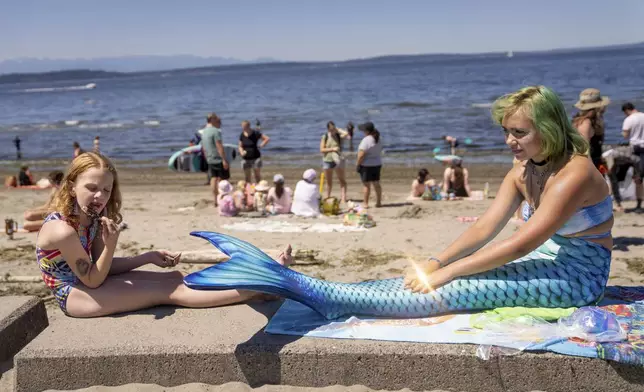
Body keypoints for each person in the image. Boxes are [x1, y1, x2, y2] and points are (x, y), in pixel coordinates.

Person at [404, 85, 613, 315]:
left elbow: (521, 244)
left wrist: (451, 271)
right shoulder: (522, 171)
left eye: (519, 133)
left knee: (452, 287)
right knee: (448, 281)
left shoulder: (574, 173)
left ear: (548, 129)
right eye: (506, 131)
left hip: (579, 277)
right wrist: (437, 262)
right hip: (542, 261)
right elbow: (484, 227)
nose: (509, 141)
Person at [35, 152, 292, 318]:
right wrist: (111, 244)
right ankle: (257, 287)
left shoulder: (89, 219)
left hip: (89, 283)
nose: (100, 196)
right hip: (74, 295)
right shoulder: (63, 230)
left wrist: (148, 257)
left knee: (174, 277)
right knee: (167, 293)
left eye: (106, 189)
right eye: (91, 188)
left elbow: (103, 268)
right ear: (71, 186)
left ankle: (259, 291)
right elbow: (92, 278)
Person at [572, 88, 610, 172]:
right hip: (589, 165)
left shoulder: (585, 121)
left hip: (594, 161)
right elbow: (584, 150)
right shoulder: (586, 123)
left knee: (607, 176)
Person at [200, 113, 230, 207]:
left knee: (213, 178)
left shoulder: (204, 131)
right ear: (212, 119)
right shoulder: (215, 131)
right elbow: (219, 146)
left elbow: (203, 147)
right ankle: (221, 199)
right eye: (216, 119)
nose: (218, 121)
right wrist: (224, 159)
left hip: (209, 158)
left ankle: (215, 200)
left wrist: (206, 157)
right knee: (222, 179)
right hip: (217, 158)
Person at [622, 102, 644, 212]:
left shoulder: (629, 119)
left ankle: (639, 204)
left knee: (638, 177)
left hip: (636, 149)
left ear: (626, 111)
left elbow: (625, 135)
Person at [320, 121, 349, 204]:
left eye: (334, 129)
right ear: (328, 129)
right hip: (327, 161)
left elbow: (346, 134)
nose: (332, 131)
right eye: (331, 129)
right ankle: (328, 196)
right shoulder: (324, 137)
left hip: (338, 160)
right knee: (329, 182)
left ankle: (343, 198)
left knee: (342, 180)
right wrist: (332, 149)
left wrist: (338, 129)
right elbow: (322, 150)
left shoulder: (338, 136)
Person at [356, 122, 383, 208]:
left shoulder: (366, 140)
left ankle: (365, 203)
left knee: (366, 185)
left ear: (367, 131)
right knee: (376, 184)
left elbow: (361, 155)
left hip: (366, 165)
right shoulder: (379, 139)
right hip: (377, 163)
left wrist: (358, 164)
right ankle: (378, 202)